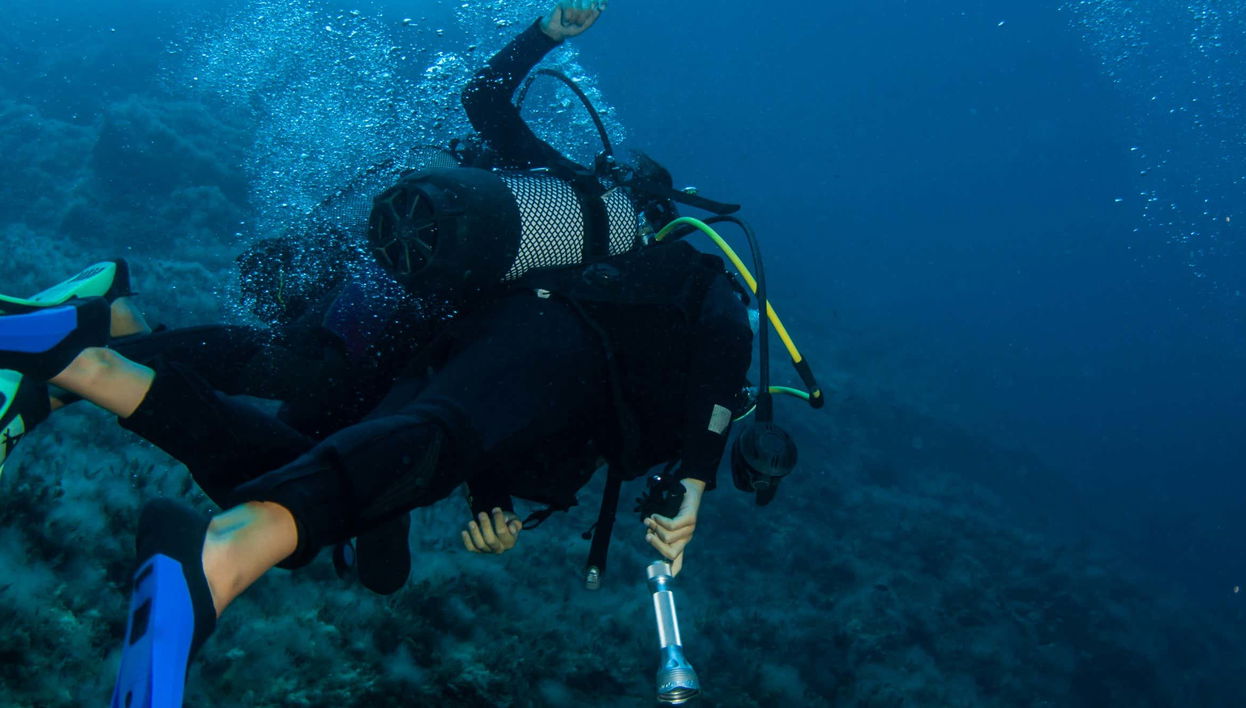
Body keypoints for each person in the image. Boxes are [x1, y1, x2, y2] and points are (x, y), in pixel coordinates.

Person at [0, 1, 754, 702]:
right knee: (303, 379)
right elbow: (534, 371)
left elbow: (494, 377)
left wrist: (489, 496)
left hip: (421, 348)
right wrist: (693, 479)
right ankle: (92, 384)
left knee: (296, 451)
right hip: (403, 324)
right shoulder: (646, 257)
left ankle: (96, 349)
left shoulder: (574, 230)